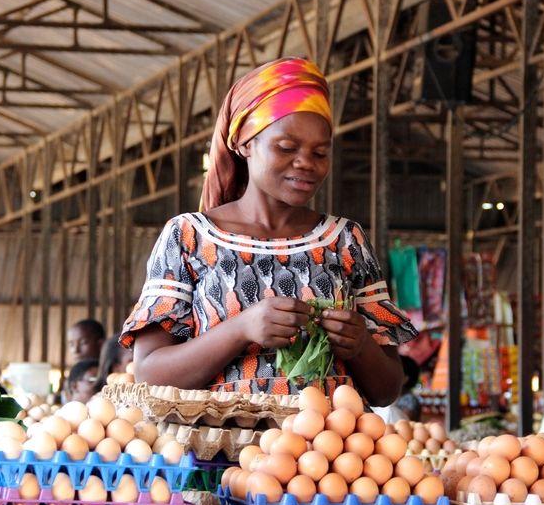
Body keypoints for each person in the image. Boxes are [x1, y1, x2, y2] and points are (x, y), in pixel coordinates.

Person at [120, 57, 415, 405]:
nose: (306, 162)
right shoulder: (189, 236)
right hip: (225, 453)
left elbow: (388, 390)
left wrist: (361, 344)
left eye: (320, 152)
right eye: (287, 148)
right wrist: (240, 329)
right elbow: (149, 374)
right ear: (245, 144)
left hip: (322, 454)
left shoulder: (345, 240)